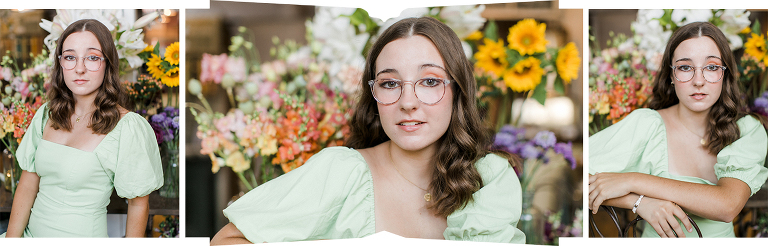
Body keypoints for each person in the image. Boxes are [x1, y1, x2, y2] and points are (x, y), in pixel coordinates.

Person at [211, 17, 525, 244]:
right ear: (374, 96)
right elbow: (228, 240)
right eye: (390, 83)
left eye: (429, 81)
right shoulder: (340, 173)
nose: (408, 102)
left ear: (458, 90)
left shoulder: (488, 178)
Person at [589, 22, 768, 238]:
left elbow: (727, 206)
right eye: (685, 67)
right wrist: (640, 202)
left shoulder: (747, 130)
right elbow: (583, 179)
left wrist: (633, 180)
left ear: (726, 74)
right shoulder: (646, 125)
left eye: (711, 67)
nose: (698, 81)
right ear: (671, 76)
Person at [3, 19, 163, 237]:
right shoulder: (46, 114)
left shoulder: (127, 127)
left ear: (107, 63)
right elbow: (28, 184)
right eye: (70, 57)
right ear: (60, 63)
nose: (79, 68)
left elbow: (138, 205)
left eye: (92, 58)